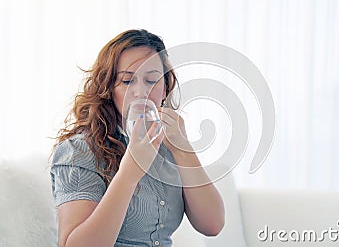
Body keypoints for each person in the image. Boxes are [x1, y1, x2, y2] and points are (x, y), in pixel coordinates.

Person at [50, 29, 225, 247]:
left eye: (152, 80)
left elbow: (213, 225)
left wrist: (183, 150)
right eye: (127, 81)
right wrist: (129, 173)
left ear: (165, 87)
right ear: (108, 88)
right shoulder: (79, 150)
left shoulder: (168, 144)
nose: (140, 91)